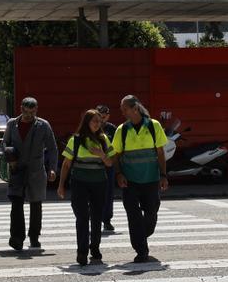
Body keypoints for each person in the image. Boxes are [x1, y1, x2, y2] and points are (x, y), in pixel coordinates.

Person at [110, 95, 168, 264]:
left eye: (124, 108)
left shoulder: (153, 126)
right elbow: (116, 155)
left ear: (135, 108)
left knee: (151, 214)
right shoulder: (122, 130)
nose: (122, 112)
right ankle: (141, 251)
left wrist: (163, 175)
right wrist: (119, 174)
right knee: (134, 217)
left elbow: (160, 153)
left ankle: (141, 235)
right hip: (130, 182)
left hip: (151, 180)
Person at [57, 110, 115, 266]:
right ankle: (82, 252)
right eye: (94, 121)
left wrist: (102, 155)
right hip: (79, 183)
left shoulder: (103, 140)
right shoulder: (75, 140)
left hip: (99, 183)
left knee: (96, 218)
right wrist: (61, 185)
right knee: (82, 217)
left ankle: (95, 249)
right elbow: (66, 164)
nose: (97, 124)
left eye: (99, 121)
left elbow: (110, 163)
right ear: (86, 122)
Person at [0, 97, 58, 250]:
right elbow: (4, 143)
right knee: (16, 205)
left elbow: (52, 148)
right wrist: (9, 156)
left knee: (36, 204)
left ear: (36, 110)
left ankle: (34, 237)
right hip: (17, 170)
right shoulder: (12, 124)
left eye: (33, 112)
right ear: (21, 109)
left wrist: (52, 168)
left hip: (36, 171)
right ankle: (17, 237)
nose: (29, 115)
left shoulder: (43, 125)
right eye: (26, 112)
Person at [96, 104, 117, 234]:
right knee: (94, 194)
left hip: (108, 165)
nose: (102, 119)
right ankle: (94, 218)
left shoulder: (112, 129)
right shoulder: (91, 127)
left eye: (104, 117)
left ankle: (107, 220)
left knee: (108, 194)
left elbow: (116, 148)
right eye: (100, 116)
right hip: (94, 165)